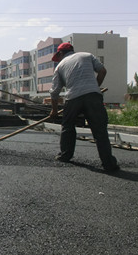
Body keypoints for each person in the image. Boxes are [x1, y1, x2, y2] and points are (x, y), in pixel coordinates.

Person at [49, 42, 119, 172]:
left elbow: (54, 92)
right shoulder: (87, 55)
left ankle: (65, 156)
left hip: (73, 98)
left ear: (60, 53)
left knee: (68, 127)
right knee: (100, 130)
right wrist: (95, 87)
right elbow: (102, 71)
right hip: (93, 96)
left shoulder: (60, 66)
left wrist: (54, 111)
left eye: (57, 57)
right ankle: (109, 164)